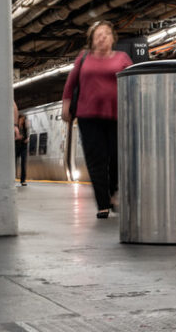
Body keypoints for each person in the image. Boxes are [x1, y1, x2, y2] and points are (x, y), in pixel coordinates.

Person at [62, 20, 133, 219]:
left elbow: (132, 80)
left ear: (113, 38)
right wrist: (66, 105)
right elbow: (71, 83)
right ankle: (102, 204)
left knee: (116, 157)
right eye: (98, 34)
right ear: (92, 39)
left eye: (106, 34)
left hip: (117, 115)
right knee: (96, 160)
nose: (102, 37)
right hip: (88, 116)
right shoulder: (83, 58)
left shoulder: (123, 58)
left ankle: (111, 192)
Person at [15, 113, 29, 186]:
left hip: (23, 146)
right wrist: (17, 138)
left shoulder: (25, 128)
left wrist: (27, 139)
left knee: (23, 163)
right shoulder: (15, 127)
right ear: (18, 119)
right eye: (22, 119)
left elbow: (27, 136)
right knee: (14, 163)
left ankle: (23, 180)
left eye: (24, 120)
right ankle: (12, 179)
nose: (23, 121)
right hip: (16, 146)